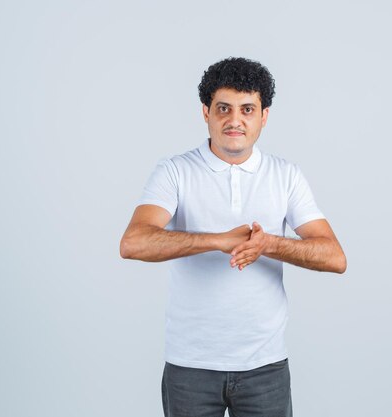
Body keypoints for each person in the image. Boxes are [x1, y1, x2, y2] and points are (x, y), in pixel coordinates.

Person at [119, 57, 346, 417]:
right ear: (205, 112)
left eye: (247, 109)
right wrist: (217, 240)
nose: (234, 120)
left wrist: (268, 244)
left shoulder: (286, 176)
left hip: (265, 367)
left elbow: (335, 257)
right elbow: (133, 242)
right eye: (223, 108)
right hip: (189, 366)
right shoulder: (175, 171)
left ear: (263, 117)